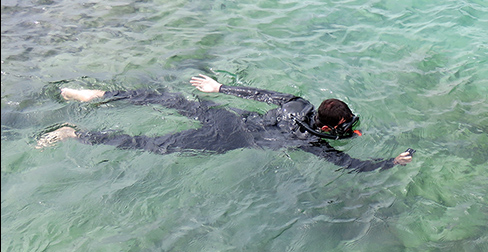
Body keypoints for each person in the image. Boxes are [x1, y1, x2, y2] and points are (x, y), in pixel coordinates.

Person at [36, 74, 414, 173]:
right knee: (149, 144)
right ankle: (75, 134)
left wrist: (220, 88)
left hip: (228, 117)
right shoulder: (313, 143)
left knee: (168, 99)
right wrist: (390, 163)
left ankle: (93, 95)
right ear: (332, 128)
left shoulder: (299, 104)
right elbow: (349, 164)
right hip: (228, 140)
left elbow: (261, 95)